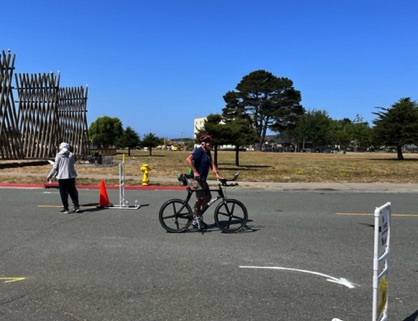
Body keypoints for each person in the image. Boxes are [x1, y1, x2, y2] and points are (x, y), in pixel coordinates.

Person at [185, 134, 222, 228]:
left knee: (208, 196)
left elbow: (211, 163)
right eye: (208, 142)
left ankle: (197, 213)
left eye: (211, 142)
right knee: (200, 199)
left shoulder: (207, 152)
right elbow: (188, 159)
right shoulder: (199, 151)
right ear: (203, 143)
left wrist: (217, 174)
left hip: (202, 180)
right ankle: (195, 217)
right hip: (195, 179)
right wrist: (195, 171)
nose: (210, 143)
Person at [47, 142, 81, 214]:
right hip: (71, 176)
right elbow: (72, 164)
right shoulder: (71, 155)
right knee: (72, 192)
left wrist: (50, 175)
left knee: (63, 193)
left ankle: (66, 208)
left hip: (62, 177)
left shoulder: (58, 155)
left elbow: (55, 167)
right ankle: (76, 207)